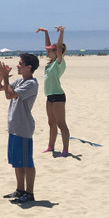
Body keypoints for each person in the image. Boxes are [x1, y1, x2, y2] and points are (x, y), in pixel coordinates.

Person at [0, 53, 40, 204]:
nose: (18, 65)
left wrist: (6, 77)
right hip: (14, 127)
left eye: (21, 63)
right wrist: (1, 75)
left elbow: (9, 95)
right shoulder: (20, 81)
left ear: (29, 67)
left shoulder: (31, 84)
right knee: (17, 162)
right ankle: (20, 190)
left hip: (23, 127)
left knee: (27, 162)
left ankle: (29, 193)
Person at [37, 26, 70, 157]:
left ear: (57, 52)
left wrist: (61, 32)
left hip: (58, 96)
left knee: (61, 124)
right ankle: (51, 146)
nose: (47, 52)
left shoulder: (59, 63)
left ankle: (65, 150)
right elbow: (49, 45)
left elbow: (59, 47)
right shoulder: (50, 64)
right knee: (51, 123)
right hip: (49, 96)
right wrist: (45, 33)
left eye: (50, 50)